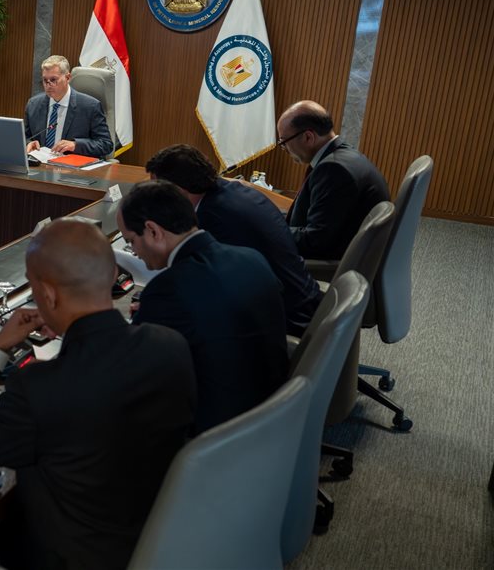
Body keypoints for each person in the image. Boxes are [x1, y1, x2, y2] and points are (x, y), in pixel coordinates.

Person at [0, 218, 196, 570]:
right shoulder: (170, 346)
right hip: (152, 541)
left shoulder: (40, 388)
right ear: (113, 275)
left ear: (47, 295)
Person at [117, 180, 289, 435]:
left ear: (153, 231)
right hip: (276, 409)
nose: (134, 252)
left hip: (214, 434)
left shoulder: (167, 291)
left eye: (131, 241)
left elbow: (134, 372)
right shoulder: (251, 257)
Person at [146, 144, 322, 335]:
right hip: (304, 302)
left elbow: (205, 291)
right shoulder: (232, 192)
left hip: (287, 320)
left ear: (179, 191)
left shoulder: (213, 217)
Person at [277, 100, 390, 260]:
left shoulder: (333, 170)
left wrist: (268, 230)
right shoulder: (344, 155)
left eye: (284, 142)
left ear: (308, 137)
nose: (284, 149)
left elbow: (314, 242)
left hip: (328, 264)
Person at [23, 55, 113, 158]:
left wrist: (75, 145)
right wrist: (28, 143)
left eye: (53, 80)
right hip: (41, 163)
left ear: (68, 78)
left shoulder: (90, 107)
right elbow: (25, 137)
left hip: (72, 165)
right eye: (45, 80)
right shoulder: (33, 104)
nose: (48, 85)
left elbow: (106, 144)